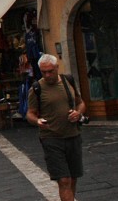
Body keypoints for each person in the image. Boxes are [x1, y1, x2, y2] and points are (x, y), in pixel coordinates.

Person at [26, 54, 87, 201]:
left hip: (73, 135)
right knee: (64, 180)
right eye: (43, 72)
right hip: (51, 139)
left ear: (57, 67)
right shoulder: (36, 88)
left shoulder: (68, 81)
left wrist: (78, 113)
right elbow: (30, 113)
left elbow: (81, 103)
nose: (47, 75)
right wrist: (37, 121)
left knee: (73, 178)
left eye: (50, 71)